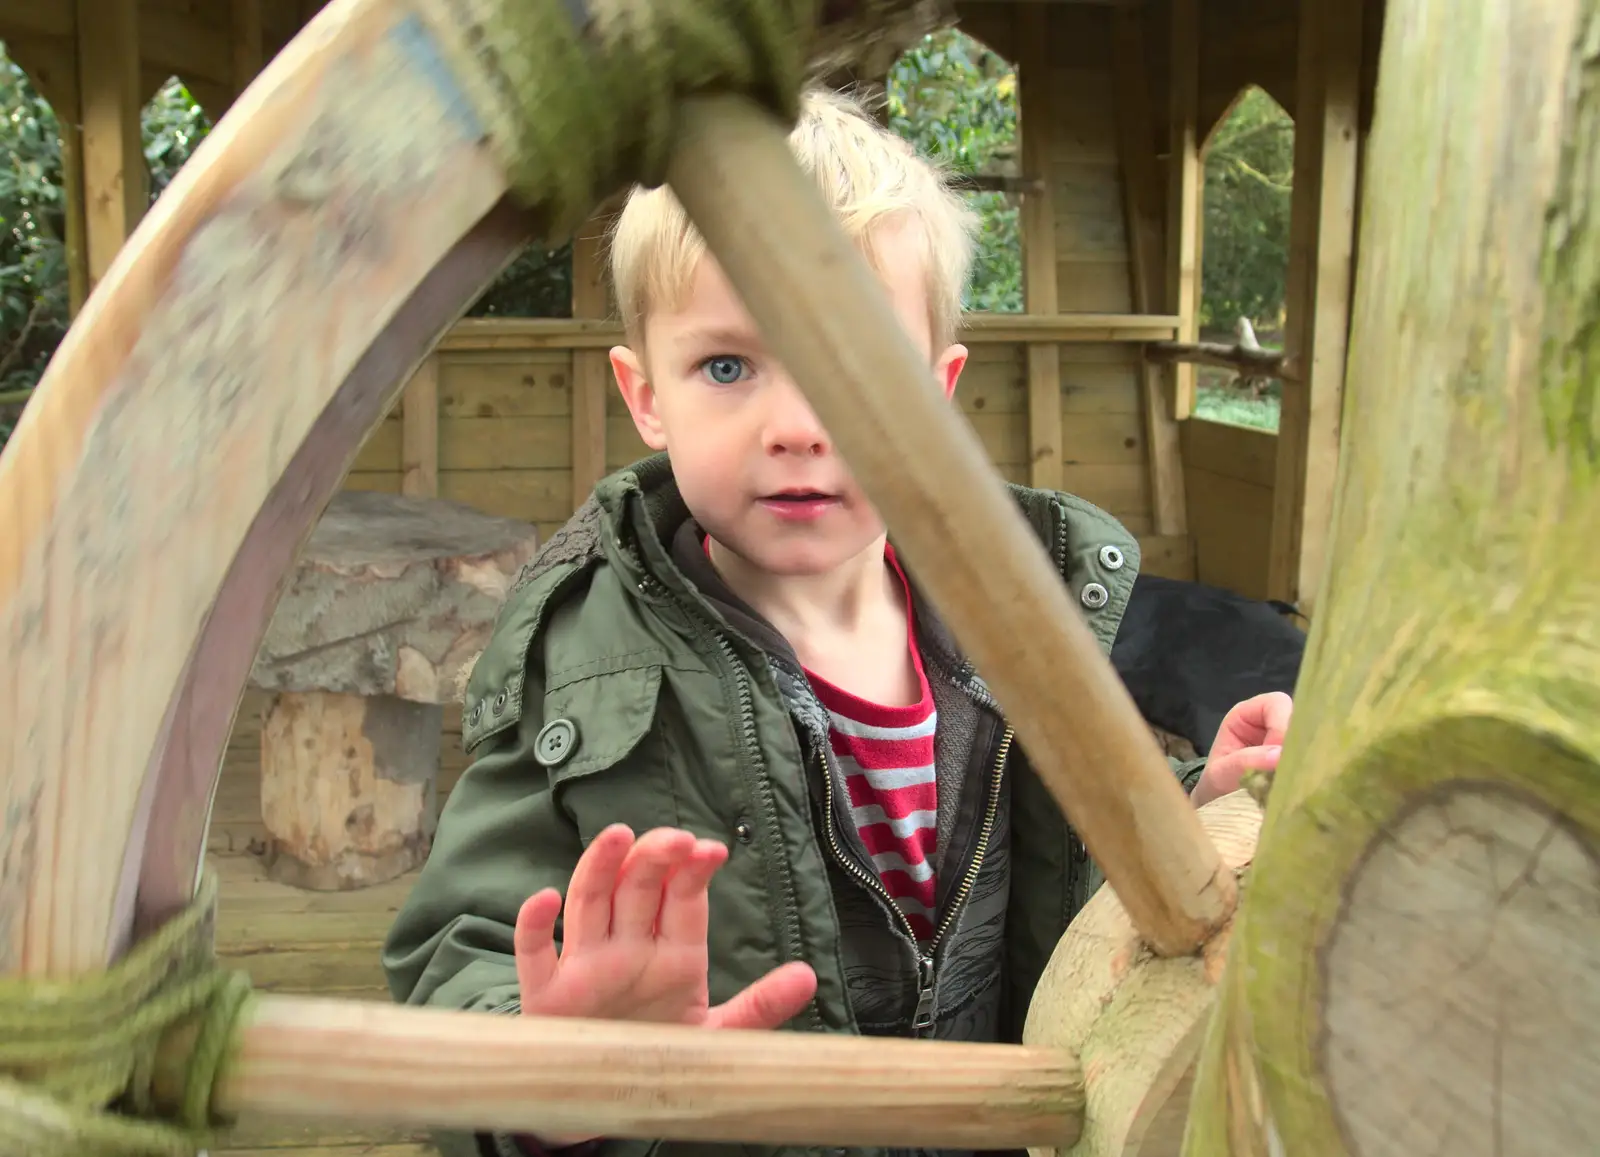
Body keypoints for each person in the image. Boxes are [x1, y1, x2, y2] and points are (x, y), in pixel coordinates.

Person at [380, 86, 1292, 1157]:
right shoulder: (582, 659)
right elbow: (460, 954)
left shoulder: (1023, 631)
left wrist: (1195, 809)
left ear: (939, 390)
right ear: (646, 395)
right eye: (728, 366)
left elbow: (1076, 875)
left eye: (856, 369)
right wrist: (556, 1075)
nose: (798, 428)